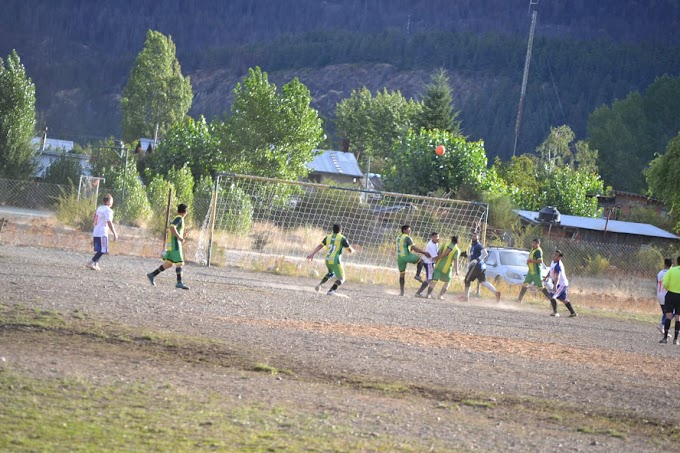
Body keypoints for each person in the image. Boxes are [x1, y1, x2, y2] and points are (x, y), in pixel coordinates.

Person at [147, 203, 190, 290]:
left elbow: (174, 229)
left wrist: (182, 235)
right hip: (175, 243)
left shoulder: (178, 218)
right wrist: (180, 238)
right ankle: (179, 282)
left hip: (171, 243)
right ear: (186, 212)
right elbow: (172, 227)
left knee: (169, 264)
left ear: (178, 211)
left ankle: (152, 275)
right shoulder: (179, 218)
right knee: (180, 262)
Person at [307, 224, 355, 296]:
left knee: (331, 273)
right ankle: (331, 291)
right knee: (342, 278)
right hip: (335, 260)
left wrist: (312, 254)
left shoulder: (328, 237)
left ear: (333, 230)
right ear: (341, 230)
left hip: (327, 259)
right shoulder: (342, 238)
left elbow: (320, 245)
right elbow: (350, 250)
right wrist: (353, 250)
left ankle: (319, 285)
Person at [459, 234, 501, 302]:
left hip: (476, 266)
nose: (473, 237)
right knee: (483, 282)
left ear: (478, 238)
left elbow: (485, 253)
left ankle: (466, 297)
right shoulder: (473, 246)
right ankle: (496, 292)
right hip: (481, 267)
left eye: (475, 236)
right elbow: (473, 258)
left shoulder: (478, 245)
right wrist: (466, 256)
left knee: (467, 280)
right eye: (472, 236)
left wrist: (477, 260)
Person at [396, 225, 431, 296]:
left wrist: (410, 248)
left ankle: (402, 292)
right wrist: (425, 253)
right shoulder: (407, 237)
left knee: (402, 275)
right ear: (404, 230)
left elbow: (403, 246)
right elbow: (414, 248)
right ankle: (417, 275)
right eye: (409, 230)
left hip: (399, 257)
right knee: (421, 261)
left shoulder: (398, 237)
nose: (410, 231)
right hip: (406, 256)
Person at [86, 193, 118, 270]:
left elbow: (94, 218)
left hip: (96, 231)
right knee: (103, 250)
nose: (112, 201)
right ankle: (91, 262)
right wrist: (114, 233)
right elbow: (109, 222)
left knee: (99, 249)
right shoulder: (108, 210)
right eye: (111, 200)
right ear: (108, 202)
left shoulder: (100, 208)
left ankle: (96, 264)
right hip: (102, 232)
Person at [425, 235, 460, 300]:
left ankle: (428, 294)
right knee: (447, 282)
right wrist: (457, 270)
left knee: (434, 281)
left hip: (438, 266)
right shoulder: (457, 250)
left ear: (451, 240)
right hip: (447, 269)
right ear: (458, 242)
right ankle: (440, 295)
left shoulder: (445, 244)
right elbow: (455, 261)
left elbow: (438, 252)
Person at [544, 249, 577, 317]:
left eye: (556, 255)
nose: (554, 255)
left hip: (561, 284)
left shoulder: (558, 265)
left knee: (552, 296)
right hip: (560, 284)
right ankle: (573, 312)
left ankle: (555, 312)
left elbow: (557, 276)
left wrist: (555, 285)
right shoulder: (553, 262)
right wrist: (546, 277)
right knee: (563, 299)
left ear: (559, 258)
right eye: (554, 254)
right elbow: (550, 271)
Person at [517, 238, 550, 303]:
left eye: (534, 243)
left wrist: (532, 261)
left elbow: (540, 261)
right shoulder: (533, 249)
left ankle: (551, 300)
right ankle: (519, 300)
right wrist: (528, 261)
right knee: (525, 284)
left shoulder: (538, 251)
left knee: (540, 287)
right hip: (530, 271)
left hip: (536, 272)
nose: (533, 244)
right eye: (532, 243)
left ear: (538, 244)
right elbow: (531, 258)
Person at [660, 256, 680, 345]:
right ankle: (675, 339)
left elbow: (665, 282)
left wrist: (669, 288)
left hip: (671, 295)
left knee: (668, 316)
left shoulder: (671, 270)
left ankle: (665, 338)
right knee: (678, 317)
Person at [415, 232, 440, 297]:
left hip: (430, 262)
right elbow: (435, 258)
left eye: (438, 237)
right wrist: (445, 254)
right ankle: (418, 293)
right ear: (432, 237)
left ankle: (428, 292)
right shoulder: (430, 245)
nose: (437, 238)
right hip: (428, 263)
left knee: (431, 278)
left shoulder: (435, 243)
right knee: (429, 279)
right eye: (435, 237)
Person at [657, 258, 673, 334]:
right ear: (672, 265)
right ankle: (662, 325)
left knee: (665, 313)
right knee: (672, 312)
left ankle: (665, 329)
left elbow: (657, 283)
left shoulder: (659, 273)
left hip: (659, 294)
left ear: (664, 264)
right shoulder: (671, 273)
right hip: (666, 295)